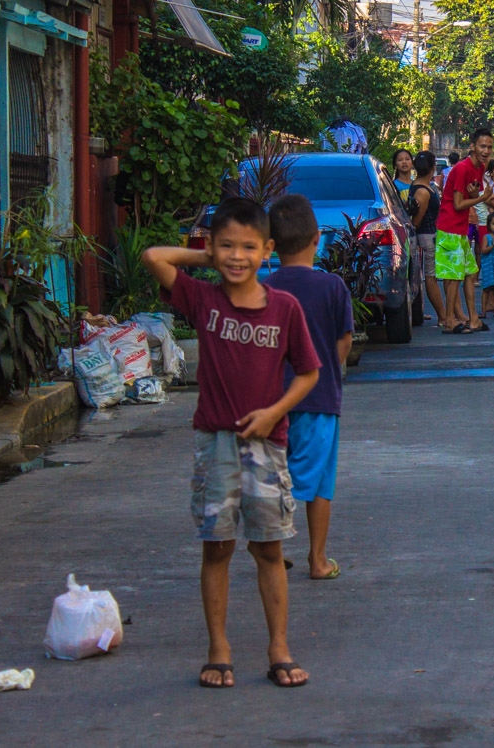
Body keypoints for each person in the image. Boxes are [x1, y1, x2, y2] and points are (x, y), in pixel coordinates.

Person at [141, 197, 321, 690]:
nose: (237, 256)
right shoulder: (203, 301)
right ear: (212, 248)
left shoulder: (284, 308)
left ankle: (278, 647)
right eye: (226, 246)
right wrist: (209, 258)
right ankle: (218, 648)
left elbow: (309, 372)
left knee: (268, 547)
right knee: (216, 547)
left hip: (267, 447)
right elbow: (154, 257)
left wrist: (274, 412)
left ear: (268, 251)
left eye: (248, 247)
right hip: (214, 444)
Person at [264, 194, 354, 582]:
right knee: (319, 483)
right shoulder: (332, 287)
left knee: (274, 474)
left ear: (271, 244)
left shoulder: (263, 288)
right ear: (318, 238)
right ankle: (317, 560)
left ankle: (274, 550)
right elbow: (343, 342)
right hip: (319, 398)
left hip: (270, 402)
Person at [437, 127, 494, 334]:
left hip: (461, 228)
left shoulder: (478, 167)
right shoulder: (461, 168)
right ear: (472, 146)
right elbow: (459, 203)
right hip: (450, 227)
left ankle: (473, 319)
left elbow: (473, 191)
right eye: (482, 146)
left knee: (470, 273)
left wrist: (478, 194)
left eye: (489, 147)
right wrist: (483, 198)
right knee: (453, 277)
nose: (486, 151)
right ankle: (449, 321)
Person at [409, 151, 446, 325]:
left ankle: (443, 315)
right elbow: (417, 221)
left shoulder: (422, 186)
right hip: (426, 236)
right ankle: (443, 317)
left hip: (429, 235)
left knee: (429, 277)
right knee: (431, 278)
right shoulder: (423, 191)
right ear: (433, 168)